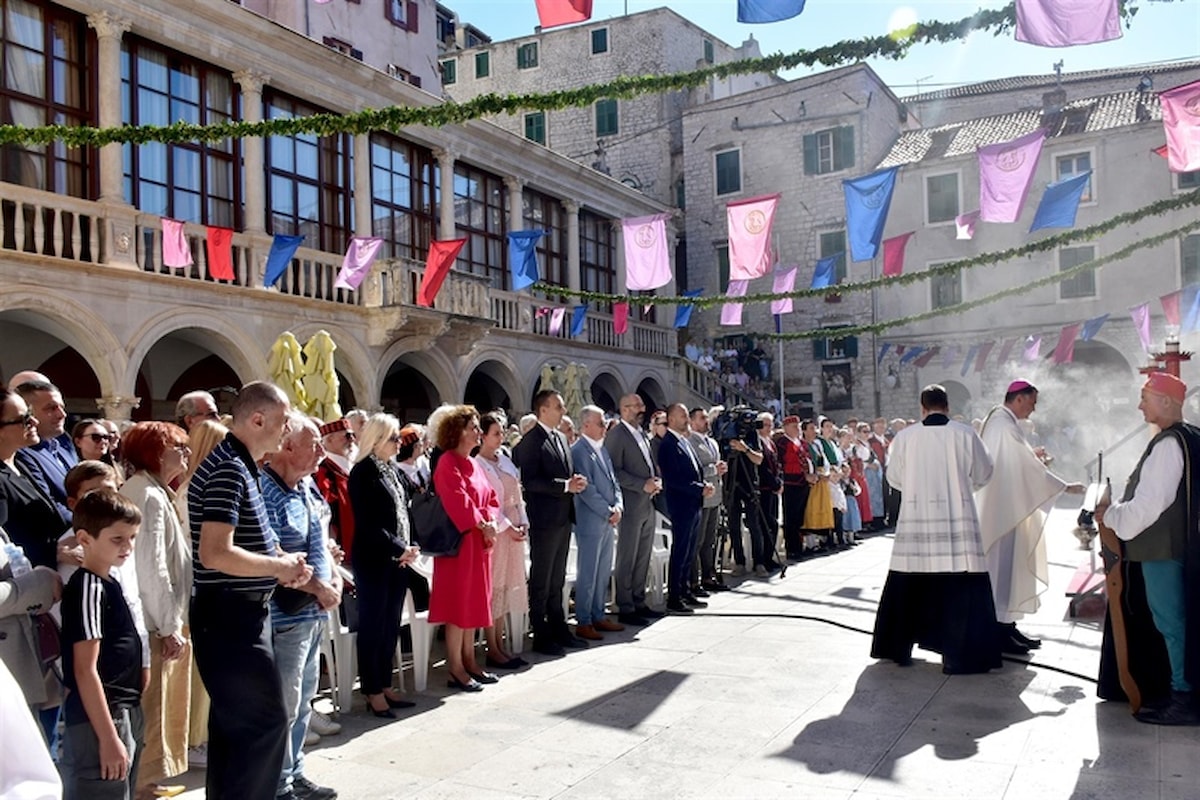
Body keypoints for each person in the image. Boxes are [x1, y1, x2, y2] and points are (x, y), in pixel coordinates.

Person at [188, 381, 312, 799]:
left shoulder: (242, 464)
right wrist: (278, 567)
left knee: (237, 729)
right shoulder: (229, 467)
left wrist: (283, 563)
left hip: (237, 615)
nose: (287, 430)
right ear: (257, 420)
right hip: (229, 616)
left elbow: (250, 541)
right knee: (264, 725)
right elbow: (215, 553)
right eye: (283, 421)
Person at [1096, 372, 1200, 725]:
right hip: (1178, 548)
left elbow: (1149, 505)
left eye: (1146, 398)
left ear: (1166, 401)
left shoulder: (1169, 444)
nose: (1140, 406)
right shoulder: (1190, 436)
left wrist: (1111, 515)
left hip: (1162, 551)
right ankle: (1177, 689)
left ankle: (1184, 697)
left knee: (1172, 623)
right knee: (1176, 622)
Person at [870, 385, 998, 674]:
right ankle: (958, 656)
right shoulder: (965, 434)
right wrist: (964, 487)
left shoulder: (905, 437)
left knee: (908, 581)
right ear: (947, 406)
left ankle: (898, 649)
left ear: (922, 408)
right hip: (957, 518)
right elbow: (985, 472)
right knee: (960, 585)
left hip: (916, 518)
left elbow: (894, 477)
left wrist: (915, 487)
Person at [261, 413, 340, 799]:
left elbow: (318, 540)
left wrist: (333, 575)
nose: (321, 451)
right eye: (314, 444)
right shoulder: (266, 492)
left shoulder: (306, 487)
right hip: (286, 614)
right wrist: (320, 588)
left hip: (312, 612)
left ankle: (294, 773)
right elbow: (274, 559)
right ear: (287, 446)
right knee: (285, 704)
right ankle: (277, 784)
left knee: (303, 699)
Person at [975, 380, 1084, 655]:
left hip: (1006, 505)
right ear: (1020, 398)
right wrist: (1064, 486)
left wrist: (1033, 457)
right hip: (1002, 510)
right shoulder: (1004, 424)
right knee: (1001, 570)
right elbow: (1022, 465)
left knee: (1007, 570)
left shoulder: (1000, 420)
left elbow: (1013, 461)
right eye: (1032, 402)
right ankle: (999, 630)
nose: (1033, 409)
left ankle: (1007, 625)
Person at [119, 422, 194, 798]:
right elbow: (153, 566)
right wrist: (169, 626)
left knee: (159, 703)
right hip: (153, 622)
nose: (186, 453)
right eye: (178, 447)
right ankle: (142, 785)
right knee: (152, 705)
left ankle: (148, 781)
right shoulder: (147, 494)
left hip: (158, 619)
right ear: (156, 452)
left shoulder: (154, 490)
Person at [59, 489, 145, 800]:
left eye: (132, 537)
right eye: (117, 539)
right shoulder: (88, 587)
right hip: (101, 717)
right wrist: (108, 737)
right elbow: (85, 669)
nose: (128, 547)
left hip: (123, 709)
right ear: (84, 538)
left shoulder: (110, 581)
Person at [348, 413, 419, 717]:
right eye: (393, 438)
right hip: (374, 559)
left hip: (398, 561)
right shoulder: (362, 472)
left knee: (391, 625)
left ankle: (385, 683)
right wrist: (400, 547)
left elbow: (404, 511)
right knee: (373, 626)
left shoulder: (393, 470)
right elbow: (367, 523)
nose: (399, 442)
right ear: (376, 440)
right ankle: (372, 689)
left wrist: (411, 545)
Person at [431, 406, 502, 689]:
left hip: (479, 544)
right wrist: (483, 524)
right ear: (458, 432)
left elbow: (491, 497)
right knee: (458, 606)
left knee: (473, 605)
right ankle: (456, 668)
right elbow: (457, 501)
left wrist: (491, 521)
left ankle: (470, 661)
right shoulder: (448, 462)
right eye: (473, 427)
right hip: (459, 546)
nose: (478, 432)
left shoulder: (473, 463)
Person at [513, 391, 589, 654]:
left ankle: (559, 627)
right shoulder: (531, 441)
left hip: (563, 517)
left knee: (557, 578)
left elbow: (564, 472)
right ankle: (541, 633)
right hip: (544, 519)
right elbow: (531, 481)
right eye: (558, 406)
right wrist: (564, 486)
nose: (563, 410)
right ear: (543, 410)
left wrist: (574, 481)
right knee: (542, 579)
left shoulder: (560, 438)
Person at [172, 417, 226, 769]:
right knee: (200, 670)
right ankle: (196, 739)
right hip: (199, 585)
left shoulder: (191, 486)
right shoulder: (197, 488)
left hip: (204, 584)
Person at [474, 413, 530, 668]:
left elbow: (517, 496)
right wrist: (508, 527)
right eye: (496, 433)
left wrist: (523, 522)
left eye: (503, 432)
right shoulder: (478, 464)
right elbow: (487, 504)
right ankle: (492, 646)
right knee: (494, 588)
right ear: (483, 436)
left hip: (514, 530)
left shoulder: (505, 460)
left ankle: (501, 642)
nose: (501, 437)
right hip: (497, 531)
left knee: (506, 587)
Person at [604, 394, 663, 626]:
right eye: (637, 406)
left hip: (647, 503)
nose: (642, 409)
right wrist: (641, 484)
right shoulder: (617, 435)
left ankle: (639, 601)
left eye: (642, 405)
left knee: (643, 555)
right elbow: (613, 471)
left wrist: (654, 480)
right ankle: (625, 605)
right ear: (625, 409)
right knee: (627, 557)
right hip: (629, 504)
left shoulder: (641, 434)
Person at [569, 406, 624, 639]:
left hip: (608, 519)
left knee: (602, 571)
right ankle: (584, 620)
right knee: (588, 571)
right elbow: (586, 489)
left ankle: (598, 614)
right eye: (601, 423)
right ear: (586, 425)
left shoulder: (602, 449)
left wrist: (618, 506)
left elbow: (614, 482)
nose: (604, 428)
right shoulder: (579, 451)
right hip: (591, 520)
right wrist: (608, 510)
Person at [657, 404, 714, 612]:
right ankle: (674, 596)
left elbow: (693, 470)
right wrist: (699, 488)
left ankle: (685, 590)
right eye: (682, 416)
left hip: (694, 504)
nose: (686, 419)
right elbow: (673, 479)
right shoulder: (668, 444)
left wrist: (703, 486)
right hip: (681, 505)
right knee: (680, 550)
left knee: (690, 550)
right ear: (671, 419)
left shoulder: (684, 441)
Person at [14, 380, 76, 522]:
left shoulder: (63, 448)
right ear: (27, 413)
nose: (62, 414)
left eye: (62, 407)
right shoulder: (21, 454)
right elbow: (47, 505)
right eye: (51, 408)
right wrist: (92, 525)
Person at [688, 407, 727, 593]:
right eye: (702, 418)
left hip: (715, 497)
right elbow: (692, 471)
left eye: (706, 417)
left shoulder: (712, 442)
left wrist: (721, 469)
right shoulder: (690, 441)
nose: (706, 421)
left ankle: (708, 575)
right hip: (701, 498)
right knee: (698, 541)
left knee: (710, 540)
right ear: (692, 421)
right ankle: (693, 581)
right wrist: (713, 470)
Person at [314, 418, 357, 561]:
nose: (352, 440)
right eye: (347, 436)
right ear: (329, 439)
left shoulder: (354, 467)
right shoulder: (323, 471)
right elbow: (327, 511)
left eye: (353, 435)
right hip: (341, 547)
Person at [775, 416, 812, 562]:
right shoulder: (782, 443)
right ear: (785, 428)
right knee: (790, 517)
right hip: (791, 484)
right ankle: (791, 549)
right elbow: (781, 465)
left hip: (803, 483)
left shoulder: (802, 443)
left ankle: (799, 546)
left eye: (797, 426)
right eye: (793, 426)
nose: (797, 428)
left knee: (800, 517)